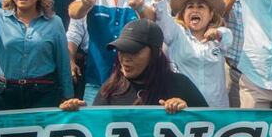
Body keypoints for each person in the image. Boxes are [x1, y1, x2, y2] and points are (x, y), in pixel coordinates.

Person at [60, 19, 207, 111]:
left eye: (133, 51)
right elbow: (97, 134)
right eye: (121, 51)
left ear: (155, 53)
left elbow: (212, 127)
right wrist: (80, 116)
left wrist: (188, 113)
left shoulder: (180, 85)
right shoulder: (110, 89)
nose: (125, 58)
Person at [68, 0, 152, 105]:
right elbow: (73, 13)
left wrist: (140, 8)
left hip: (135, 85)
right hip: (97, 82)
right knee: (95, 127)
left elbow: (152, 19)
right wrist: (85, 5)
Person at [153, 0, 232, 107]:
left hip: (216, 110)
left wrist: (217, 34)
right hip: (184, 109)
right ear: (183, 15)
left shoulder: (219, 37)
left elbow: (228, 37)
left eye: (201, 6)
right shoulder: (176, 33)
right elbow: (162, 17)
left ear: (211, 15)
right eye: (190, 6)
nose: (195, 10)